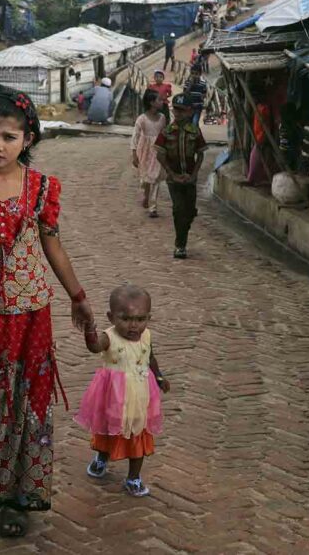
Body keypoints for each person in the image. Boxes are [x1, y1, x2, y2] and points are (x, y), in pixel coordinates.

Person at [0, 84, 96, 538]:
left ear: (27, 139)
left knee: (26, 406)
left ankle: (15, 499)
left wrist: (78, 296)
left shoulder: (42, 188)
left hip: (32, 318)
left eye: (9, 137)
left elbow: (52, 243)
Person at [77, 284, 170, 497]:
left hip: (140, 396)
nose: (133, 326)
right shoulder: (109, 336)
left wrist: (159, 376)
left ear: (148, 317)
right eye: (126, 319)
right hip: (114, 396)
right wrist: (89, 328)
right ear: (111, 317)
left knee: (139, 432)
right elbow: (94, 347)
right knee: (109, 428)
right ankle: (102, 457)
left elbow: (150, 357)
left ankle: (133, 477)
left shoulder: (146, 336)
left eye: (140, 319)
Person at [155, 94, 208, 259]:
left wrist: (194, 175)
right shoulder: (167, 131)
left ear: (190, 111)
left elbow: (200, 154)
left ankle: (185, 228)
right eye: (175, 110)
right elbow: (160, 155)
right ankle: (180, 245)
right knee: (178, 210)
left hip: (190, 179)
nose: (178, 114)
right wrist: (172, 174)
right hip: (174, 179)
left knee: (189, 211)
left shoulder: (195, 131)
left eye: (182, 111)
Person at [131, 89, 166, 218]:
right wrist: (134, 154)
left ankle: (153, 206)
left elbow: (164, 134)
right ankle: (146, 195)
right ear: (152, 102)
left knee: (156, 177)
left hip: (158, 151)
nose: (162, 102)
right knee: (146, 178)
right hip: (144, 151)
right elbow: (135, 137)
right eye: (159, 100)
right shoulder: (142, 119)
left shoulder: (162, 118)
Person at [246, 102, 275, 186]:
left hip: (262, 136)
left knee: (259, 157)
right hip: (260, 136)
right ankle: (254, 178)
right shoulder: (260, 108)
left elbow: (266, 123)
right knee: (258, 157)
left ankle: (254, 178)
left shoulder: (263, 108)